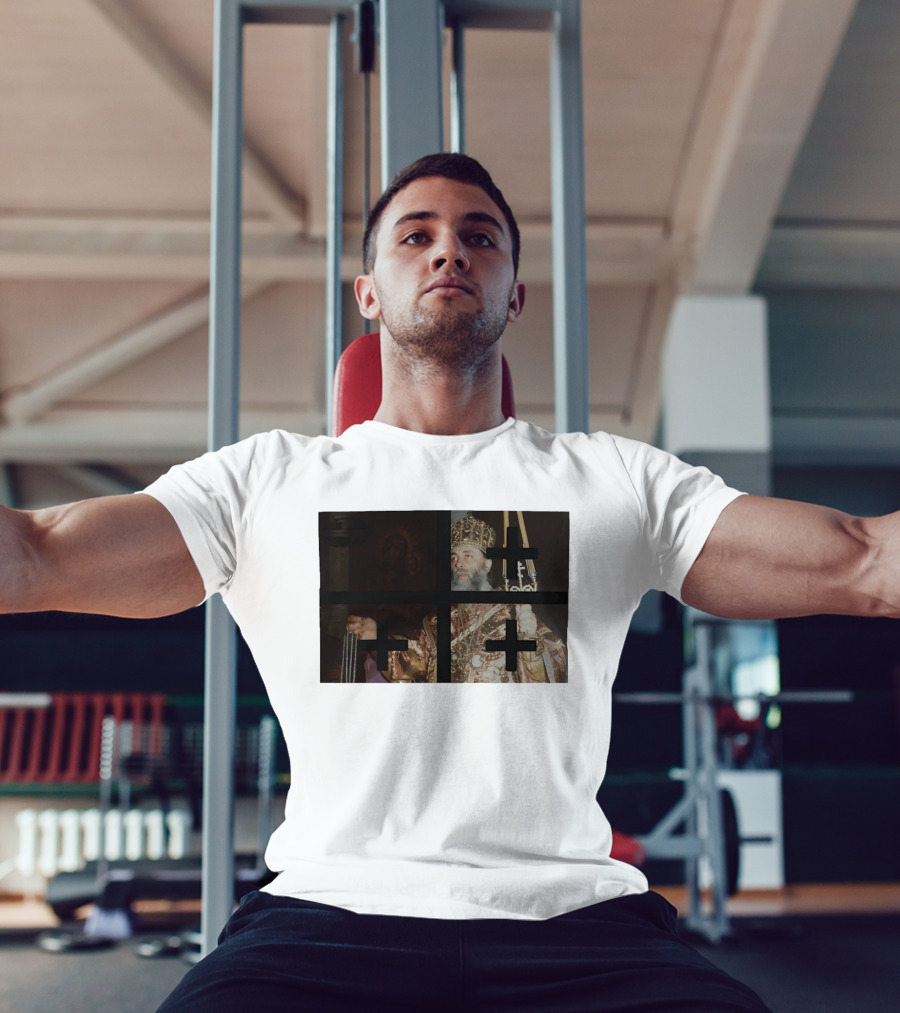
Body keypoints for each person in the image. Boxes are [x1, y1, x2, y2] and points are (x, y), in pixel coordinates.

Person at [3, 152, 898, 1012]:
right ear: (368, 294)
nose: (448, 250)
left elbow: (861, 558)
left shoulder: (614, 480)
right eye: (415, 234)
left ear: (515, 294)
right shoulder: (264, 482)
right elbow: (40, 553)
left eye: (479, 236)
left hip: (575, 919)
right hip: (327, 913)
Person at [346, 513, 568, 683]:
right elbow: (413, 658)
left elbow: (554, 669)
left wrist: (530, 640)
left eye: (467, 555)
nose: (458, 563)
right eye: (454, 558)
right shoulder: (438, 619)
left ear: (488, 564)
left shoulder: (513, 611)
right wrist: (378, 635)